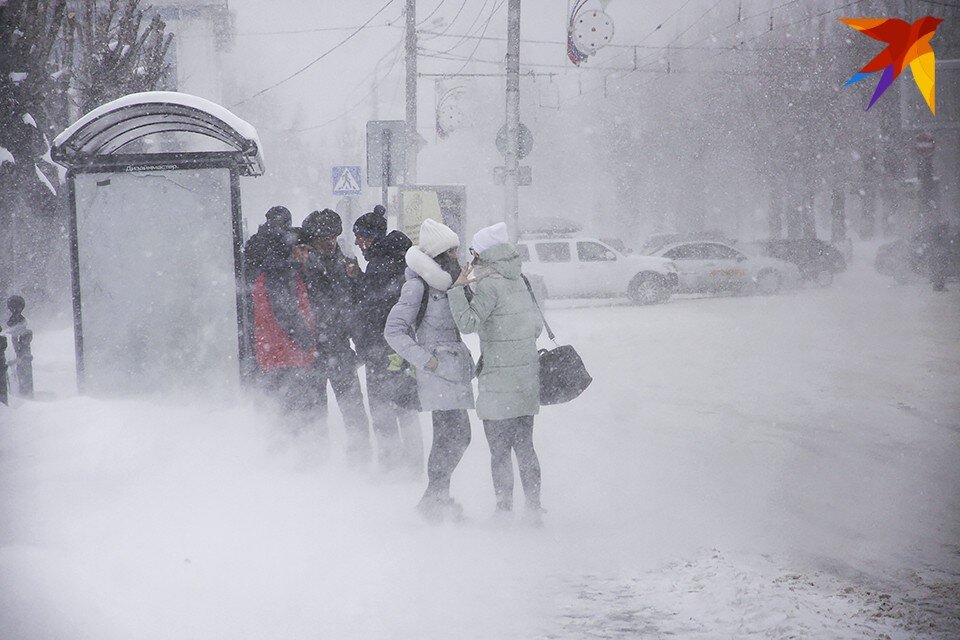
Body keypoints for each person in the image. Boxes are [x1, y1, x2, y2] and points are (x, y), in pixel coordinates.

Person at [447, 222, 545, 525]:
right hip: (527, 376)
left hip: (499, 381)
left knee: (500, 451)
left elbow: (468, 324)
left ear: (484, 254)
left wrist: (457, 288)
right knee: (525, 446)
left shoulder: (489, 285)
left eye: (474, 253)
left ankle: (503, 510)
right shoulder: (521, 280)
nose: (471, 259)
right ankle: (533, 510)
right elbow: (536, 326)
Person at [384, 219, 475, 522]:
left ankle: (435, 498)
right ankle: (436, 500)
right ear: (439, 255)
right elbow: (394, 331)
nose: (456, 257)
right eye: (452, 251)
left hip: (454, 370)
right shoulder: (417, 286)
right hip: (436, 372)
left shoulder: (452, 284)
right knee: (452, 434)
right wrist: (427, 360)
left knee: (457, 436)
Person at [351, 205, 424, 475]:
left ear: (373, 237)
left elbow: (373, 309)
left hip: (381, 350)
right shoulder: (398, 261)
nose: (358, 242)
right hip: (403, 348)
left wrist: (364, 345)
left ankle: (391, 468)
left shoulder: (380, 266)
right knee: (405, 407)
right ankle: (415, 466)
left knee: (383, 410)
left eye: (361, 236)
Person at [299, 208, 372, 465]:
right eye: (323, 238)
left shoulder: (345, 262)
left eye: (333, 236)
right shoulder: (304, 264)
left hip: (339, 347)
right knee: (314, 410)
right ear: (313, 239)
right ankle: (316, 463)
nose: (329, 242)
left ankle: (360, 462)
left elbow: (358, 302)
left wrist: (357, 277)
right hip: (314, 348)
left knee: (352, 408)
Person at [248, 221, 320, 425]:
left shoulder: (277, 270)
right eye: (305, 250)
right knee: (294, 419)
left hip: (278, 355)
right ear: (294, 249)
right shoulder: (281, 273)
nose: (307, 255)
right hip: (286, 356)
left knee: (284, 418)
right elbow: (286, 312)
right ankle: (295, 456)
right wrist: (307, 341)